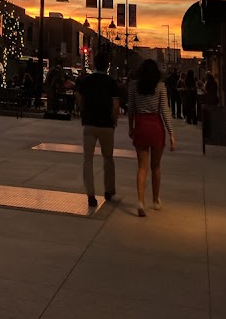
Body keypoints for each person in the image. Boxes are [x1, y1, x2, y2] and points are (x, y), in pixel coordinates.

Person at [128, 59, 176, 216]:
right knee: (156, 166)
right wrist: (171, 133)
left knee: (142, 167)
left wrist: (131, 127)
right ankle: (155, 200)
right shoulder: (160, 87)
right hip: (156, 126)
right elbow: (165, 110)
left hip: (141, 125)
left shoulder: (134, 86)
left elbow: (131, 109)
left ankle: (140, 201)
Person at [75, 51, 121, 208]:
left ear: (94, 64)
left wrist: (83, 109)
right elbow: (115, 105)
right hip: (106, 124)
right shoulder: (111, 83)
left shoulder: (86, 80)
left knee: (88, 160)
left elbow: (78, 96)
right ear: (107, 65)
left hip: (89, 123)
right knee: (108, 158)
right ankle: (109, 189)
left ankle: (91, 195)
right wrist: (114, 120)